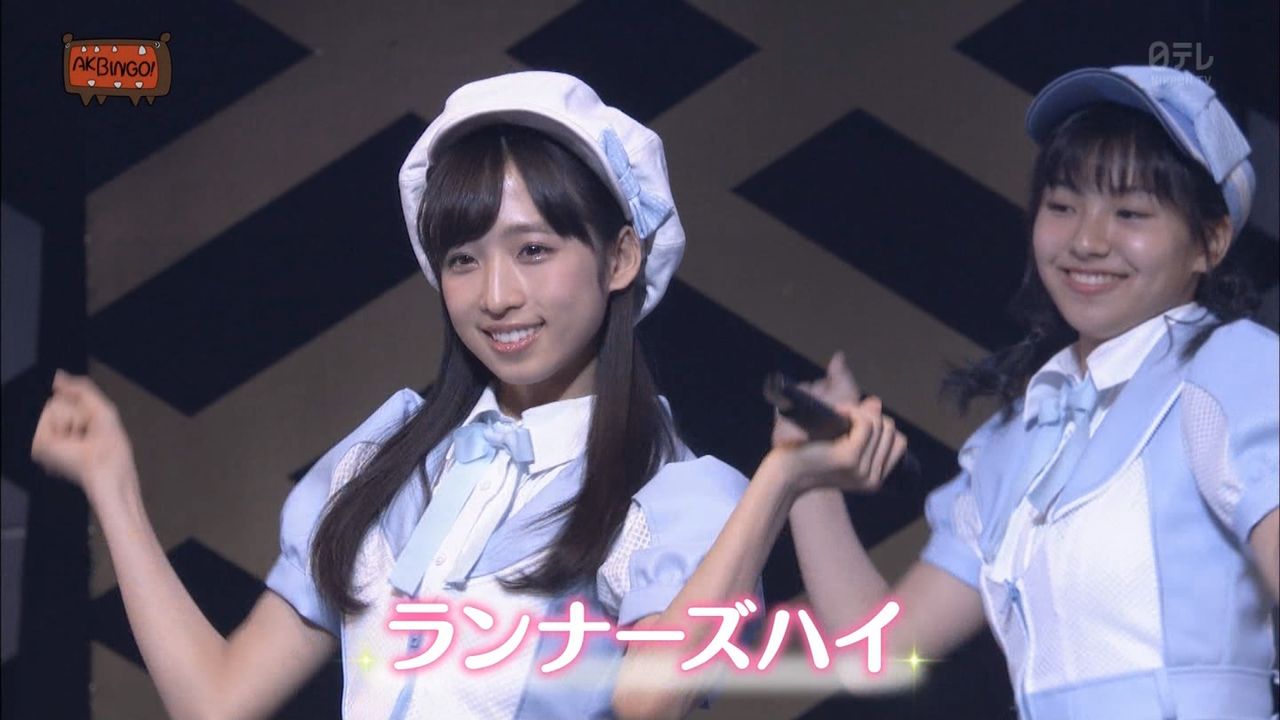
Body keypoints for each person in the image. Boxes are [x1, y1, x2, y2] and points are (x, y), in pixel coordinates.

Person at [31, 71, 770, 720]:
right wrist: (111, 485)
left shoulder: (664, 498)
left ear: (620, 257)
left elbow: (653, 701)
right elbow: (217, 699)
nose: (497, 295)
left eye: (533, 249)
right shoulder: (382, 467)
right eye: (463, 259)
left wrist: (780, 482)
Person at [717, 65, 1278, 718]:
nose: (1086, 240)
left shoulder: (1232, 371)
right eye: (1062, 206)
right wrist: (807, 474)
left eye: (1130, 213)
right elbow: (880, 655)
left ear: (1210, 242)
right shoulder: (1021, 436)